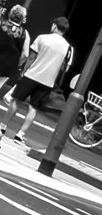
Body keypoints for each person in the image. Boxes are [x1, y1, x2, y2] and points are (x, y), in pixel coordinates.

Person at [10, 16, 75, 145]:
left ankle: (3, 126)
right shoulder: (69, 48)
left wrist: (24, 72)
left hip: (32, 75)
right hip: (47, 81)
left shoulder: (42, 38)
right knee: (33, 108)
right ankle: (20, 134)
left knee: (16, 101)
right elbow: (65, 69)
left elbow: (31, 57)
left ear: (55, 26)